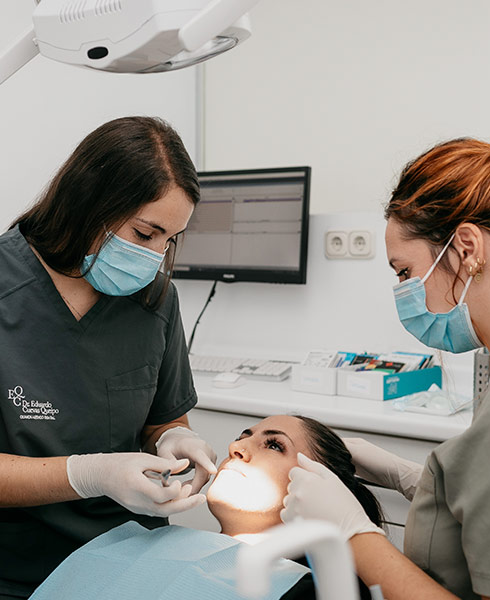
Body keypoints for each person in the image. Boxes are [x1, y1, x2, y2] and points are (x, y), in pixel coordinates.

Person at [281, 113, 490, 600]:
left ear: (467, 248)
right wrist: (422, 482)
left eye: (404, 272)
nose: (403, 291)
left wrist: (353, 534)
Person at [0, 116, 218, 599]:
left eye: (170, 240)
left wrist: (175, 440)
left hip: (129, 557)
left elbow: (164, 419)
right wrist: (90, 475)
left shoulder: (155, 299)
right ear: (89, 204)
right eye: (145, 234)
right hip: (15, 571)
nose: (157, 256)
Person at [27, 415, 385, 600]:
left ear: (324, 487)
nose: (235, 447)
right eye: (244, 435)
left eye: (275, 446)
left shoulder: (308, 591)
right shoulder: (133, 544)